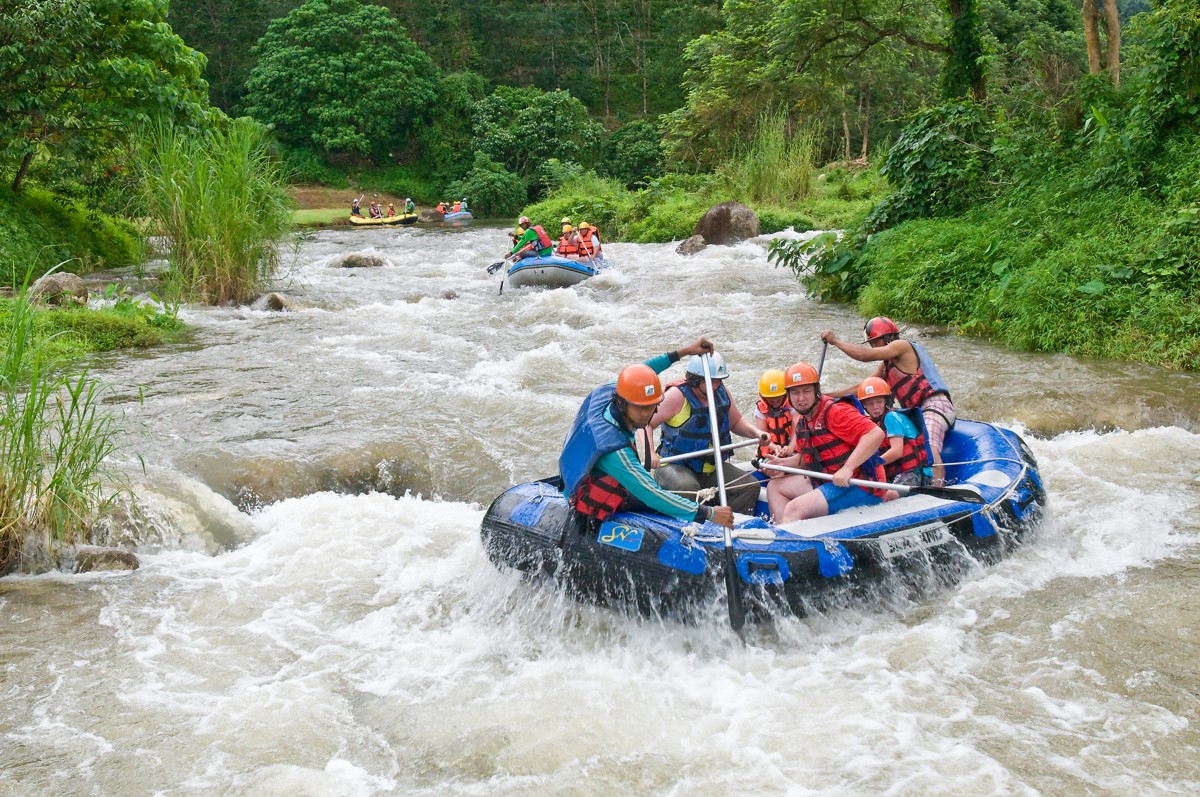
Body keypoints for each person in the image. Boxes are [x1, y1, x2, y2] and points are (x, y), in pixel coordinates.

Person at [559, 338, 734, 528]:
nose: (646, 415)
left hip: (581, 471)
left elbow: (643, 370)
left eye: (651, 407)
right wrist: (707, 513)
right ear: (623, 403)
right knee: (660, 501)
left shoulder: (609, 391)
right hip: (588, 496)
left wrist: (685, 351)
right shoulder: (615, 450)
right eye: (640, 408)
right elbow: (651, 494)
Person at [821, 317, 956, 483]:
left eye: (874, 342)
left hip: (935, 405)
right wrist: (828, 396)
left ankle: (937, 487)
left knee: (931, 447)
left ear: (888, 337)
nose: (872, 347)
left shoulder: (902, 346)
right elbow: (861, 388)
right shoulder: (886, 366)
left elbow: (864, 355)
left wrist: (835, 341)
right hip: (915, 414)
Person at [648, 352, 769, 516]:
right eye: (711, 381)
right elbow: (646, 424)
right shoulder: (676, 396)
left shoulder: (721, 392)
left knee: (749, 486)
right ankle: (691, 529)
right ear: (695, 379)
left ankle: (731, 526)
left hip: (710, 468)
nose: (715, 385)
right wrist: (649, 453)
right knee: (689, 489)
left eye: (718, 380)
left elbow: (735, 422)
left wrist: (756, 433)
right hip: (674, 467)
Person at [763, 362, 887, 522]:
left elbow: (875, 434)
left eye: (806, 391)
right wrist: (781, 463)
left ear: (816, 391)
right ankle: (783, 534)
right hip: (828, 482)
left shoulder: (836, 411)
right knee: (775, 487)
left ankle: (794, 541)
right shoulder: (803, 420)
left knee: (794, 509)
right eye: (795, 393)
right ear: (789, 396)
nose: (801, 399)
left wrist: (848, 468)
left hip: (861, 484)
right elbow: (805, 459)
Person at [857, 377, 932, 488]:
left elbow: (897, 451)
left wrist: (873, 465)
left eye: (879, 401)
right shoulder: (873, 423)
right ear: (864, 406)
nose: (875, 407)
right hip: (900, 474)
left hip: (915, 473)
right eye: (869, 403)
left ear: (886, 401)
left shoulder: (890, 417)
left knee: (889, 495)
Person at [753, 369, 796, 462]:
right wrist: (774, 447)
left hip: (791, 447)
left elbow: (797, 431)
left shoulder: (792, 404)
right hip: (771, 449)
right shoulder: (760, 409)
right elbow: (763, 435)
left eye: (778, 396)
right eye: (771, 397)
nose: (775, 399)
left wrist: (790, 448)